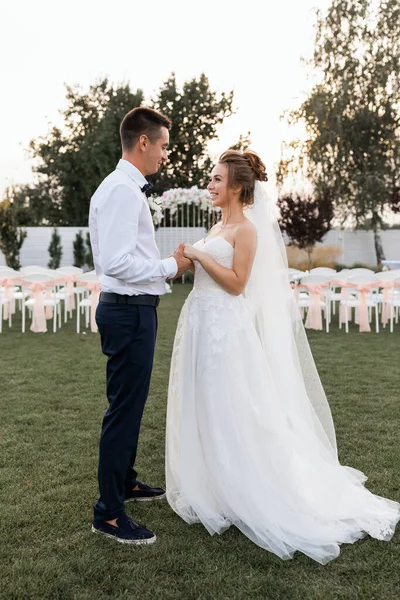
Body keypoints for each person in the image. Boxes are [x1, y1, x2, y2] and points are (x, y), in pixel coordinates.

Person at [165, 149, 400, 564]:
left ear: (237, 187)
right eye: (211, 179)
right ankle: (215, 484)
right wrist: (185, 261)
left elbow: (237, 285)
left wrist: (199, 255)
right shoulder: (218, 225)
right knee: (206, 406)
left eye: (217, 179)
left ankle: (247, 487)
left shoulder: (246, 230)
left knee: (233, 407)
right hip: (202, 325)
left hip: (225, 328)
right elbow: (202, 271)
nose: (210, 185)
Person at [89, 107, 191, 545]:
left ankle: (126, 482)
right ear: (144, 142)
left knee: (131, 403)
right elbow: (115, 262)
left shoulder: (126, 189)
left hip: (135, 310)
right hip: (127, 311)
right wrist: (172, 265)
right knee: (124, 410)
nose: (166, 155)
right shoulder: (121, 191)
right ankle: (109, 514)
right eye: (164, 145)